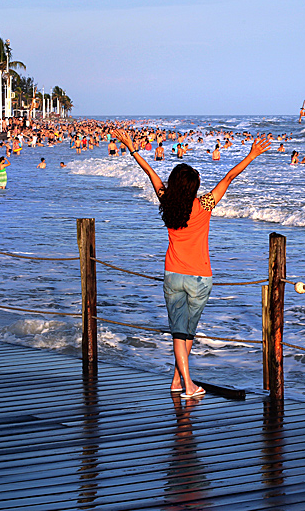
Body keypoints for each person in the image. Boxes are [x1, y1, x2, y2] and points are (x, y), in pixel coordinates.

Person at [112, 128, 271, 398]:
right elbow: (229, 177)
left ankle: (178, 380)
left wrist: (133, 148)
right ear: (194, 186)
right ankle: (188, 385)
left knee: (181, 331)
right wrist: (252, 154)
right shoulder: (205, 204)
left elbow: (151, 173)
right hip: (199, 277)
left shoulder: (167, 200)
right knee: (184, 333)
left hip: (173, 274)